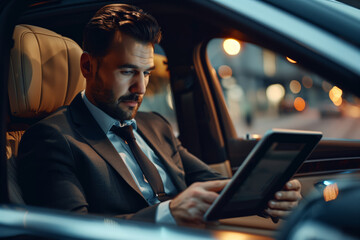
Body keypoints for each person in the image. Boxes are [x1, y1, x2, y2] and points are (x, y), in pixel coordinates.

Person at [17, 3, 301, 226]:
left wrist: (266, 194)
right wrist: (168, 214)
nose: (140, 88)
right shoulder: (51, 138)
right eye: (127, 71)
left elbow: (211, 181)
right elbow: (71, 230)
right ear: (88, 67)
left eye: (146, 73)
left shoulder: (156, 125)